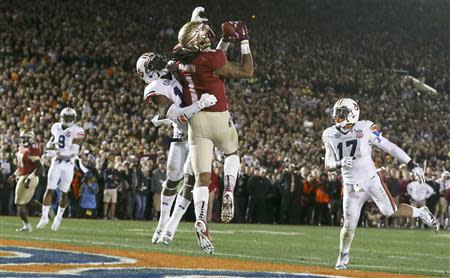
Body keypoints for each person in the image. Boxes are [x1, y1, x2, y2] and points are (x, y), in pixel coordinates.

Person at [322, 98, 438, 270]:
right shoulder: (329, 133)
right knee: (349, 227)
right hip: (350, 186)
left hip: (371, 180)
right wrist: (339, 164)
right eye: (337, 114)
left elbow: (389, 147)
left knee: (389, 211)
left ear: (352, 114)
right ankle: (343, 256)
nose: (337, 117)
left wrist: (411, 164)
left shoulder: (365, 128)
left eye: (341, 114)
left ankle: (420, 212)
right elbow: (328, 164)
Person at [176, 7, 254, 253]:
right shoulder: (210, 59)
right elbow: (246, 71)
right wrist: (242, 41)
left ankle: (201, 219)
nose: (206, 35)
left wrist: (221, 39)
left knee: (201, 178)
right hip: (218, 116)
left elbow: (204, 52)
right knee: (232, 153)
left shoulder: (179, 57)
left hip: (196, 122)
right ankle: (229, 190)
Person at [136, 49, 217, 244]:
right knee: (172, 181)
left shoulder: (172, 71)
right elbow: (176, 115)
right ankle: (161, 224)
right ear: (150, 74)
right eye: (155, 64)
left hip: (199, 136)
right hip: (182, 136)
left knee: (191, 180)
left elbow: (184, 48)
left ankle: (172, 224)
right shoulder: (155, 88)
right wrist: (200, 105)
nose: (161, 62)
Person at [37, 107, 85, 231]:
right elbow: (52, 141)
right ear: (61, 117)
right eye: (65, 117)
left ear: (74, 119)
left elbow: (74, 151)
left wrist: (55, 153)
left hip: (68, 164)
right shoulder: (55, 126)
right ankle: (44, 217)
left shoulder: (78, 130)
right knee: (50, 189)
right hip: (56, 163)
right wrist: (49, 147)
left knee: (64, 192)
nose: (67, 119)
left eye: (69, 118)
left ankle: (59, 217)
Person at [11, 131, 42, 231]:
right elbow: (22, 166)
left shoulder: (32, 149)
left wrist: (29, 178)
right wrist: (15, 174)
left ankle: (27, 226)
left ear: (31, 138)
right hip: (22, 175)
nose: (24, 140)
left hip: (29, 176)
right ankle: (46, 210)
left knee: (19, 203)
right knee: (26, 201)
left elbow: (40, 168)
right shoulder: (22, 148)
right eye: (22, 138)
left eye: (26, 138)